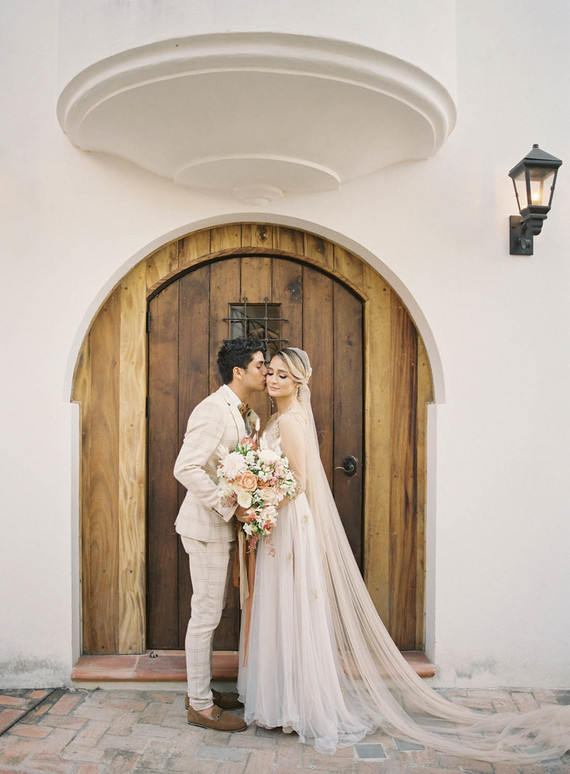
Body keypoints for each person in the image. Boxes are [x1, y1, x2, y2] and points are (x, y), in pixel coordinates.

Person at [237, 347, 570, 760]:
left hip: (287, 523)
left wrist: (258, 499)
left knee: (291, 606)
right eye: (270, 372)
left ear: (299, 384)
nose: (272, 380)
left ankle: (296, 705)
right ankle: (281, 702)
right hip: (278, 522)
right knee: (282, 607)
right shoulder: (274, 418)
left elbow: (300, 482)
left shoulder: (289, 421)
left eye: (283, 376)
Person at [174, 336, 267, 732]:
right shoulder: (213, 411)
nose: (266, 371)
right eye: (261, 365)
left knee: (211, 612)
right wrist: (232, 505)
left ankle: (204, 692)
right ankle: (198, 705)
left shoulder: (246, 412)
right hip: (206, 529)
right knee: (206, 615)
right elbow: (186, 468)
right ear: (238, 371)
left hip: (223, 528)